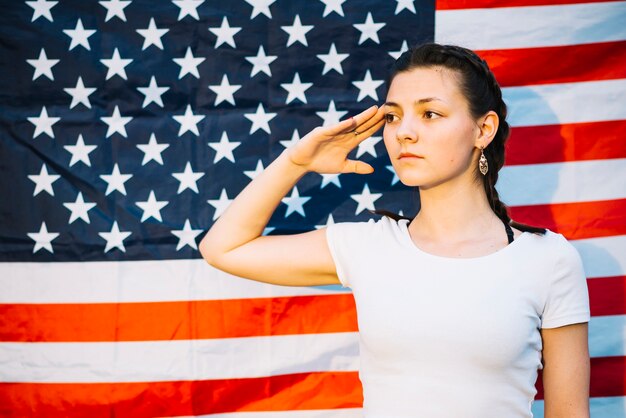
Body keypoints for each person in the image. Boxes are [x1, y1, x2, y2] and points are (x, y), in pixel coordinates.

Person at [199, 43, 590, 417]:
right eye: (392, 116)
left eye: (429, 114)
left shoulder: (548, 260)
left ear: (483, 130)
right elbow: (223, 249)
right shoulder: (369, 247)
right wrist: (296, 161)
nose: (404, 132)